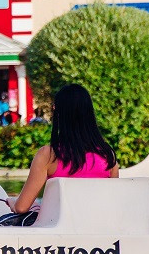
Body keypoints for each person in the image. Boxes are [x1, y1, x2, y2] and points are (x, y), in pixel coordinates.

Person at [9, 84, 119, 215]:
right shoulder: (108, 155)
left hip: (58, 230)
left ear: (59, 114)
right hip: (97, 229)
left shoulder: (48, 155)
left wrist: (12, 202)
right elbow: (113, 202)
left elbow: (21, 208)